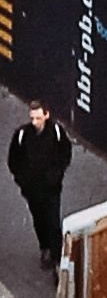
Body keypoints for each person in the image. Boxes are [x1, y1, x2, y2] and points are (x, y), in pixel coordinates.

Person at [10, 105, 67, 276]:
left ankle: (57, 260)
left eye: (38, 118)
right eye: (32, 118)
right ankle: (45, 248)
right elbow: (13, 161)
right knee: (39, 220)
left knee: (54, 222)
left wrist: (56, 177)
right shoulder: (22, 135)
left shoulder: (56, 132)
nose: (34, 122)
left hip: (51, 189)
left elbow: (65, 155)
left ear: (47, 115)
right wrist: (23, 182)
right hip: (33, 190)